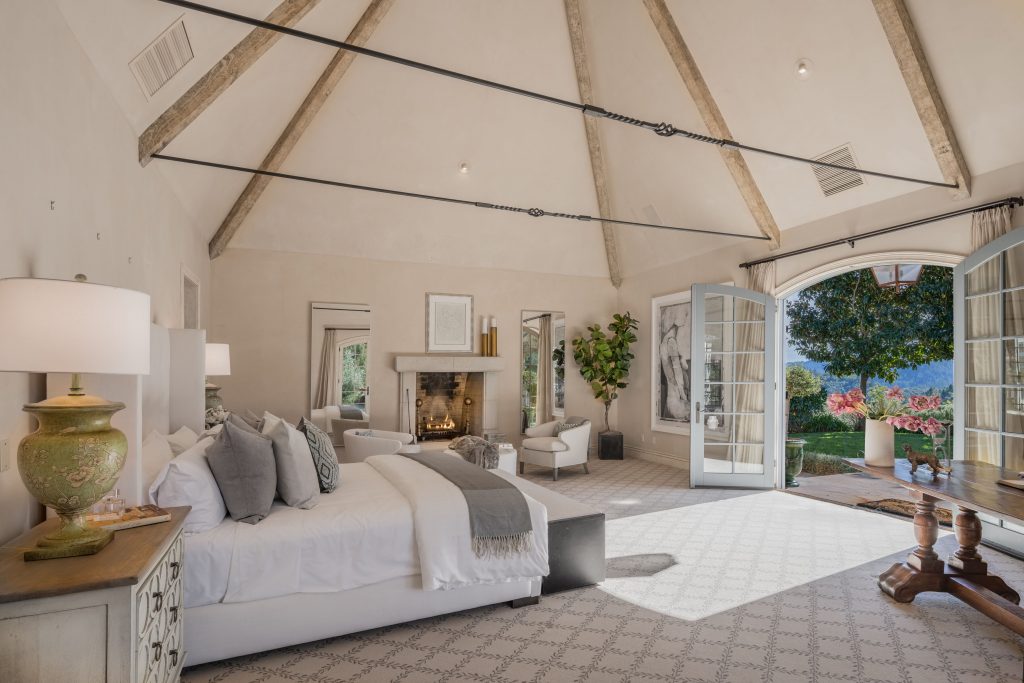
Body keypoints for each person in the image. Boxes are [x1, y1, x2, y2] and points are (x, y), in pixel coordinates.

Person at [659, 323, 690, 421]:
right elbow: (675, 368)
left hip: (674, 397)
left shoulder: (667, 343)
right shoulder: (670, 342)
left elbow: (674, 369)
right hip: (675, 396)